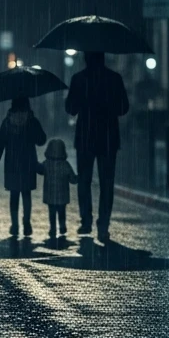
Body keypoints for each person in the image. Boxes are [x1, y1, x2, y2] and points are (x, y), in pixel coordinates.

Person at [64, 50, 129, 242]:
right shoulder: (114, 78)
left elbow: (70, 108)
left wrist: (83, 102)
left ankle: (86, 221)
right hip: (108, 137)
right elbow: (124, 107)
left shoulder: (79, 79)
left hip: (85, 137)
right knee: (106, 183)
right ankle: (103, 225)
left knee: (84, 180)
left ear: (86, 59)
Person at [0, 96, 47, 237]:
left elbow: (0, 143)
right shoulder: (31, 121)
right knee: (26, 194)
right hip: (28, 163)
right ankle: (26, 222)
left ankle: (15, 225)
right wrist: (33, 128)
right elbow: (42, 140)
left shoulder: (7, 122)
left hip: (12, 164)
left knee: (14, 195)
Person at [38, 138, 78, 242]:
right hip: (62, 196)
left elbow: (40, 171)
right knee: (62, 212)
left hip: (50, 196)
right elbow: (72, 179)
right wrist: (80, 177)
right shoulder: (65, 164)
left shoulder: (47, 163)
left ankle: (52, 228)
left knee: (51, 213)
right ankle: (62, 226)